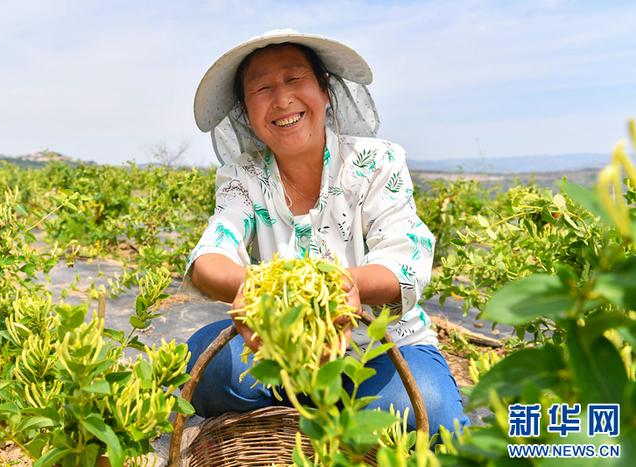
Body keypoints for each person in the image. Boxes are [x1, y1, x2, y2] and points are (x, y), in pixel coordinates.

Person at [184, 29, 469, 436]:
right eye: (262, 88)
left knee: (433, 414)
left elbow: (405, 257)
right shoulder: (243, 176)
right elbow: (211, 254)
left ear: (325, 91)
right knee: (200, 365)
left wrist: (344, 286)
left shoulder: (376, 162)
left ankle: (317, 413)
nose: (282, 100)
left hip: (382, 350)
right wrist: (257, 291)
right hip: (280, 346)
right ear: (246, 113)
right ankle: (321, 411)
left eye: (294, 79)